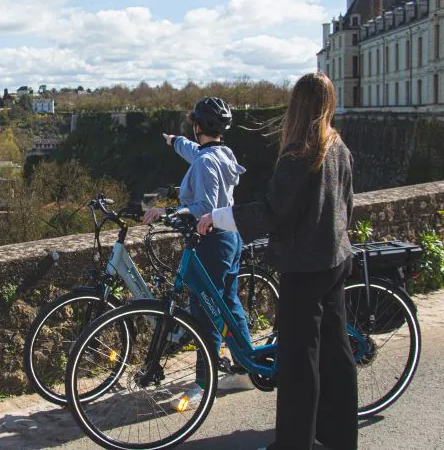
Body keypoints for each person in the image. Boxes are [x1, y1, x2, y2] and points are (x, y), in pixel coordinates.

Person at [196, 73, 358, 450]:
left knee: (299, 362)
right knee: (336, 355)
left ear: (296, 107)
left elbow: (272, 212)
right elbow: (347, 206)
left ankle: (293, 443)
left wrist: (218, 217)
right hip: (336, 259)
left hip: (305, 267)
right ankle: (338, 438)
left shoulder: (300, 152)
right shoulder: (338, 146)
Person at [142, 96, 255, 411]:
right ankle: (246, 369)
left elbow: (205, 207)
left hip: (211, 243)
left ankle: (204, 384)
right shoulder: (221, 153)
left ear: (196, 126)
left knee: (205, 314)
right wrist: (175, 142)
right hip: (230, 237)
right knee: (229, 307)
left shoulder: (206, 163)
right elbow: (196, 152)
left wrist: (168, 212)